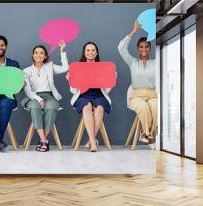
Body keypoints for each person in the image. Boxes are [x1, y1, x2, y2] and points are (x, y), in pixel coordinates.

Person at [22, 41, 69, 152]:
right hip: (33, 97)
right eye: (36, 53)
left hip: (49, 96)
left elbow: (65, 68)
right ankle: (44, 140)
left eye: (41, 53)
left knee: (51, 107)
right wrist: (39, 99)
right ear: (33, 55)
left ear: (45, 56)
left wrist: (62, 52)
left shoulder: (49, 66)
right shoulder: (26, 71)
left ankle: (43, 140)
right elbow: (27, 91)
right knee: (35, 107)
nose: (38, 55)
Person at [66, 42, 112, 152]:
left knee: (100, 107)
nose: (90, 52)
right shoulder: (78, 67)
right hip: (82, 95)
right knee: (86, 106)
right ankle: (93, 142)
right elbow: (73, 91)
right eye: (88, 50)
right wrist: (70, 80)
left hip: (98, 94)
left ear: (96, 53)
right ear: (84, 53)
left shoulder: (102, 68)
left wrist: (110, 79)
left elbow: (106, 90)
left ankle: (90, 141)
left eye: (93, 50)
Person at [118, 20, 157, 149]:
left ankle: (148, 134)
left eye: (146, 47)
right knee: (144, 108)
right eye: (141, 47)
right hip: (136, 95)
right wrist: (133, 31)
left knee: (157, 108)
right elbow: (121, 48)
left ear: (150, 48)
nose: (144, 49)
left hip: (153, 94)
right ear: (138, 49)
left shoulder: (156, 62)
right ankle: (148, 135)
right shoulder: (133, 62)